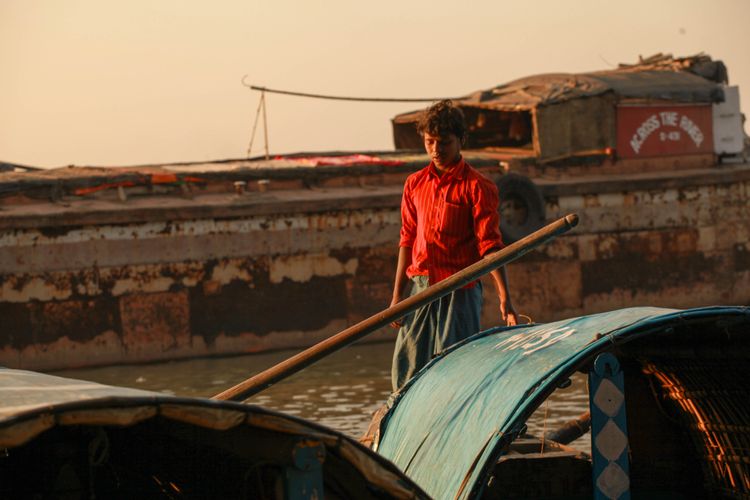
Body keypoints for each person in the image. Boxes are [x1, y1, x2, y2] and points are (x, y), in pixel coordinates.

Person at [390, 99, 518, 391]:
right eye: (430, 142)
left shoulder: (477, 186)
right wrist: (397, 298)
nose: (436, 150)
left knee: (455, 370)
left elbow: (490, 247)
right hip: (420, 288)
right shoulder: (415, 184)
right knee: (406, 370)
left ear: (461, 141)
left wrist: (505, 298)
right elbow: (407, 239)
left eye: (444, 142)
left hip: (459, 289)